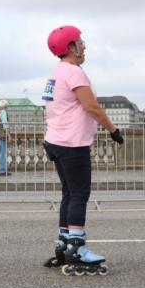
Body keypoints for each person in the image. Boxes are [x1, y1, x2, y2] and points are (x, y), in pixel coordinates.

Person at [42, 25, 123, 275]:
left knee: (69, 193)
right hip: (72, 143)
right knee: (79, 194)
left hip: (55, 140)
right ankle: (77, 248)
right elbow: (92, 107)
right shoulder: (74, 72)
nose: (84, 45)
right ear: (71, 47)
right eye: (80, 41)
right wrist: (113, 130)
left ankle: (64, 242)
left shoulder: (56, 73)